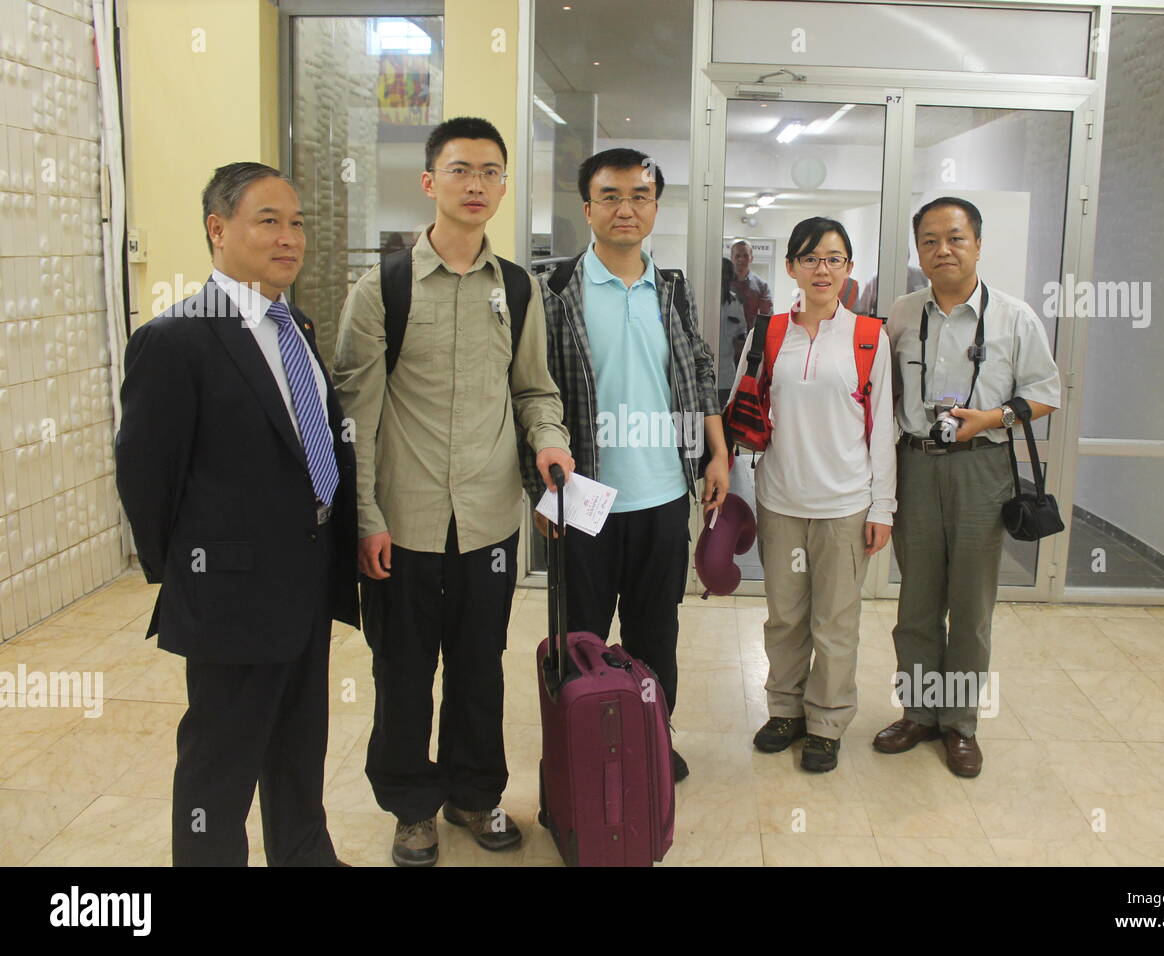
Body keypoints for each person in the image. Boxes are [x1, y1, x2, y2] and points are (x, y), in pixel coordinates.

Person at [332, 116, 573, 866]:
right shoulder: (383, 289)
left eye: (490, 172)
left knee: (478, 664)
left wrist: (550, 439)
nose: (476, 185)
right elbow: (356, 417)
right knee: (402, 671)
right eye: (461, 170)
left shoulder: (522, 289)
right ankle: (411, 807)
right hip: (402, 523)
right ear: (430, 182)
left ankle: (474, 793)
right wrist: (365, 517)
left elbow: (534, 390)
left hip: (490, 521)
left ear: (505, 186)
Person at [115, 162, 358, 866]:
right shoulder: (176, 340)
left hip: (305, 583)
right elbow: (146, 476)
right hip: (229, 594)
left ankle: (305, 855)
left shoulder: (294, 324)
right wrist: (192, 574)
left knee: (298, 746)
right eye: (269, 221)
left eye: (297, 222)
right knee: (220, 764)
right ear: (218, 230)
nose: (289, 237)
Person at [526, 147, 730, 783]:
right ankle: (583, 746)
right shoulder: (552, 291)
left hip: (663, 494)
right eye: (610, 196)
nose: (625, 208)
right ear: (588, 208)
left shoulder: (670, 288)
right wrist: (543, 493)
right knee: (580, 637)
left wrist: (715, 450)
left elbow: (696, 366)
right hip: (584, 495)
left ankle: (650, 738)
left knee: (654, 635)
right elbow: (531, 389)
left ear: (655, 209)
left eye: (639, 196)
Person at [875, 196, 1060, 777]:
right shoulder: (903, 314)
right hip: (917, 464)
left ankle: (959, 724)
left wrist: (992, 418)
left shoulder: (1014, 316)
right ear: (919, 251)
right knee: (917, 603)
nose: (943, 250)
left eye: (955, 238)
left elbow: (1046, 392)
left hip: (984, 467)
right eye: (929, 240)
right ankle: (919, 713)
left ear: (978, 244)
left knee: (972, 605)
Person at [733, 218, 897, 773]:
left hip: (844, 505)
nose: (822, 269)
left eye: (834, 258)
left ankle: (826, 721)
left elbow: (882, 430)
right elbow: (743, 404)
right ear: (791, 267)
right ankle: (785, 710)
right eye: (810, 258)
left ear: (849, 267)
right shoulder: (769, 331)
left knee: (835, 621)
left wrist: (883, 507)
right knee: (784, 617)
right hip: (779, 500)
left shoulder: (869, 336)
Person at [717, 256, 748, 407]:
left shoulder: (736, 304)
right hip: (700, 378)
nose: (724, 278)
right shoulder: (700, 300)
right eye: (721, 273)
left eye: (727, 274)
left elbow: (741, 337)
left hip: (726, 377)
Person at [730, 238, 774, 331]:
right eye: (737, 256)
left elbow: (766, 317)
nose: (741, 259)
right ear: (731, 258)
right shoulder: (722, 284)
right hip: (724, 339)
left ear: (751, 258)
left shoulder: (762, 286)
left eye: (745, 256)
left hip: (751, 339)